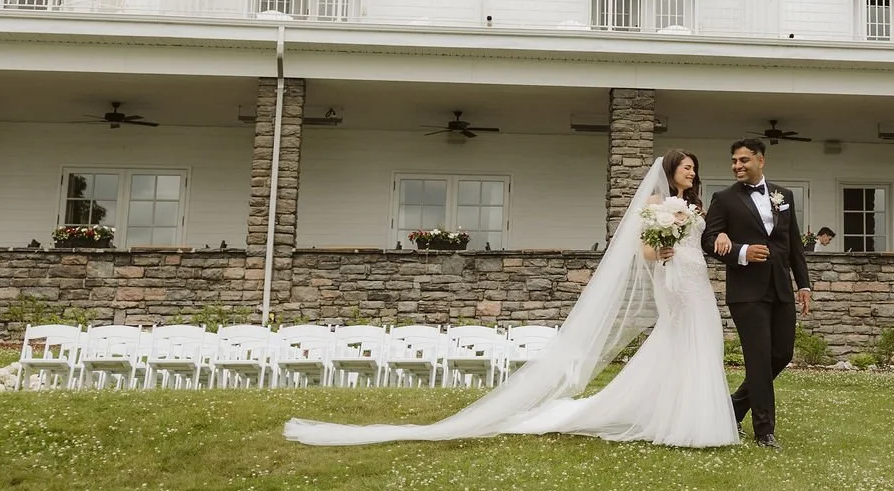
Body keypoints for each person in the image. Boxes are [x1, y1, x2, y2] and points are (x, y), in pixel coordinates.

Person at [281, 148, 738, 449]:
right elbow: (643, 250)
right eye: (687, 167)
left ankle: (690, 416)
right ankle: (682, 423)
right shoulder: (656, 205)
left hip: (697, 278)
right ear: (671, 170)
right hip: (672, 278)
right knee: (679, 340)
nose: (692, 173)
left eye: (694, 168)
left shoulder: (695, 207)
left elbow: (702, 240)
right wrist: (661, 248)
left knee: (700, 342)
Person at [701, 136, 812, 449]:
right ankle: (764, 431)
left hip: (781, 288)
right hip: (746, 292)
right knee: (759, 359)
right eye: (734, 161)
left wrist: (803, 284)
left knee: (782, 354)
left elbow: (793, 246)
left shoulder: (784, 196)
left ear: (760, 160)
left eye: (744, 160)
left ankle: (733, 407)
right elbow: (708, 242)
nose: (737, 166)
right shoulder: (724, 199)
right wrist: (742, 251)